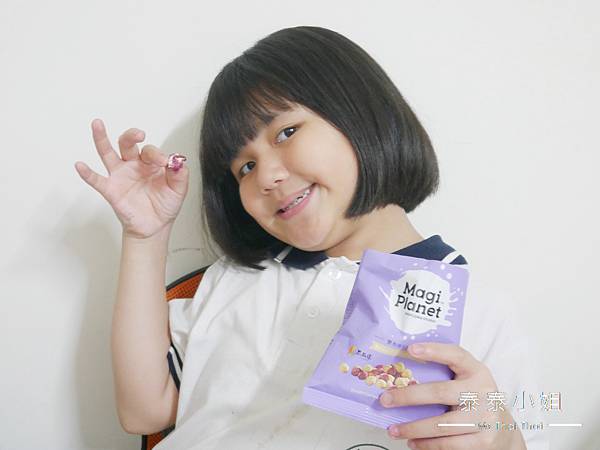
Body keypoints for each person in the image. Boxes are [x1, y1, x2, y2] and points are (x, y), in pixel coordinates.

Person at [75, 26, 549, 449]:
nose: (266, 177)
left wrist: (503, 439)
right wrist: (145, 235)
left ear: (361, 112)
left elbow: (516, 428)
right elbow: (143, 411)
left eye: (285, 132)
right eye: (245, 167)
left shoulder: (482, 314)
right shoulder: (237, 279)